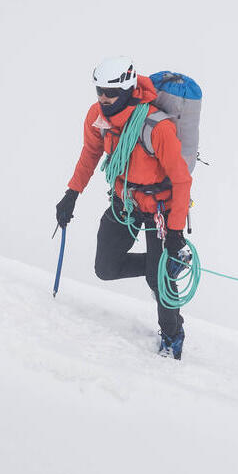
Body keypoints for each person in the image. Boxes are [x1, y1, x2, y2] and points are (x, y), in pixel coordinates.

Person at [55, 58, 194, 358]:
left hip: (160, 209)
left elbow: (182, 182)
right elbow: (90, 154)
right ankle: (164, 265)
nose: (103, 99)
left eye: (111, 93)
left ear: (129, 89)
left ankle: (173, 336)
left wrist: (174, 233)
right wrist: (72, 193)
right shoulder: (97, 116)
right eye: (99, 91)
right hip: (125, 201)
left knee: (160, 283)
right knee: (105, 268)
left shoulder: (158, 127)